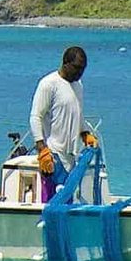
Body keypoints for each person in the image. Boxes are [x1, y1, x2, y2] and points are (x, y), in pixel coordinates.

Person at [29, 46, 89, 198]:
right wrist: (42, 149)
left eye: (83, 69)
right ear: (65, 63)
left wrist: (85, 134)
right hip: (54, 154)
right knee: (53, 199)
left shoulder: (78, 85)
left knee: (68, 201)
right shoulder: (49, 84)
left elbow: (78, 113)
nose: (80, 72)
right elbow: (36, 116)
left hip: (72, 156)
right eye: (76, 68)